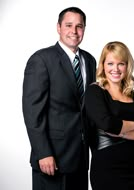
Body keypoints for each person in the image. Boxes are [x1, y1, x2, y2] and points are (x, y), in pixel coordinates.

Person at [22, 7, 96, 190]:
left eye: (79, 26)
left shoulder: (90, 60)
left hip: (80, 158)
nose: (74, 31)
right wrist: (43, 152)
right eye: (69, 25)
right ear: (58, 27)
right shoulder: (41, 60)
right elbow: (32, 112)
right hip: (52, 158)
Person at [84, 41, 134, 190]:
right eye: (110, 64)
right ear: (103, 65)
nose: (115, 69)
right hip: (108, 168)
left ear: (127, 66)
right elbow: (107, 124)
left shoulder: (133, 95)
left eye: (121, 64)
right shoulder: (95, 91)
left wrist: (121, 133)